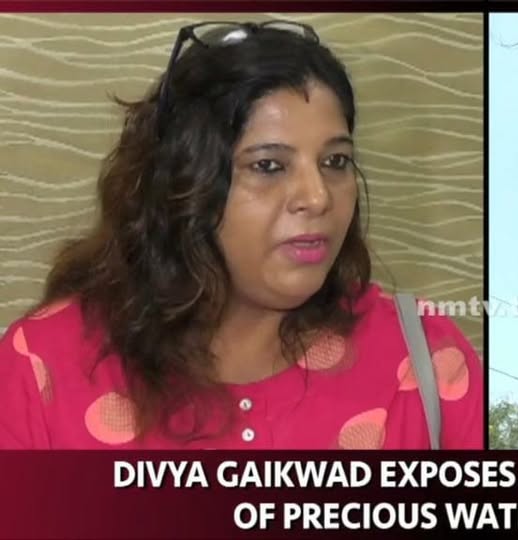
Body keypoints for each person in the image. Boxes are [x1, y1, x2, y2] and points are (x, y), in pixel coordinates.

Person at [0, 21, 483, 450]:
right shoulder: (42, 368)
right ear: (183, 184)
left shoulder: (424, 357)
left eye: (335, 161)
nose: (318, 197)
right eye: (268, 165)